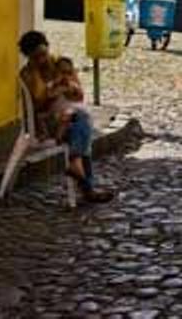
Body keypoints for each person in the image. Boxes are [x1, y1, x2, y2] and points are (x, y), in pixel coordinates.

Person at [18, 31, 113, 203]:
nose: (42, 60)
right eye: (36, 57)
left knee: (79, 122)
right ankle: (86, 186)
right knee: (82, 122)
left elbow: (79, 96)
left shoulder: (62, 64)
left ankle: (76, 166)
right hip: (49, 124)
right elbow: (35, 107)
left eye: (44, 54)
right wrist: (52, 95)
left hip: (70, 119)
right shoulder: (28, 75)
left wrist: (68, 88)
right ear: (29, 58)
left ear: (48, 48)